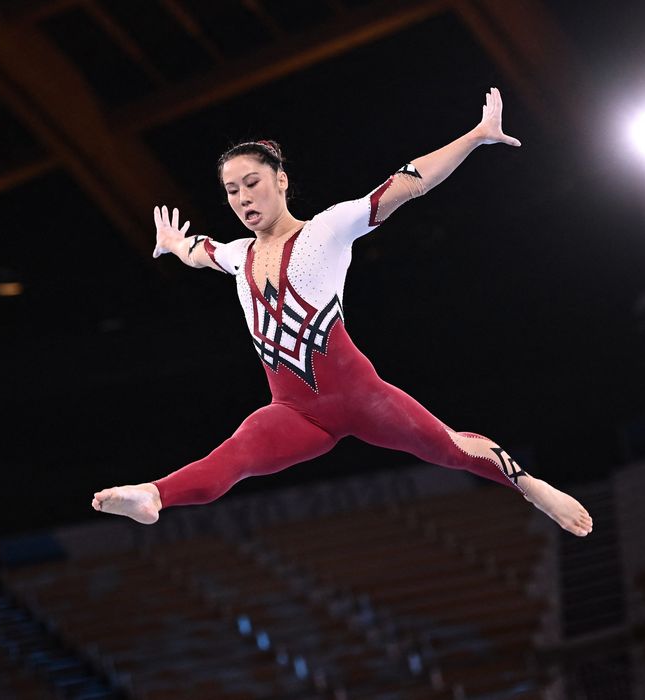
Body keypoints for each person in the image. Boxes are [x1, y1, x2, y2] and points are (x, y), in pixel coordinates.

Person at [92, 88, 593, 537]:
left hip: (360, 397)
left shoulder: (326, 230)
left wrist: (476, 136)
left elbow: (408, 182)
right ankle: (153, 495)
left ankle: (531, 486)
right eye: (231, 191)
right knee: (235, 455)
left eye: (252, 183)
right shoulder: (238, 254)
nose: (243, 198)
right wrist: (174, 245)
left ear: (281, 181)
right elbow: (203, 249)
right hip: (292, 412)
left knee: (449, 447)